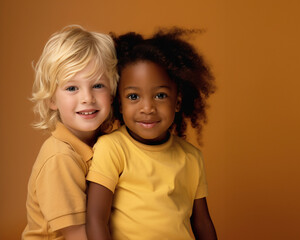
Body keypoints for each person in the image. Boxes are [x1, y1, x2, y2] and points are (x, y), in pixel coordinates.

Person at [86, 28, 217, 240]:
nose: (147, 108)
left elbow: (202, 223)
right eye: (134, 96)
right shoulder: (113, 148)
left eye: (160, 95)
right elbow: (95, 219)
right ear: (119, 102)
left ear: (178, 101)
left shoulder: (192, 157)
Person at [22, 25, 118, 240]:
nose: (87, 98)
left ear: (112, 92)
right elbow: (78, 234)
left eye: (98, 85)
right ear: (51, 100)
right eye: (72, 88)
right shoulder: (60, 158)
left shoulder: (107, 144)